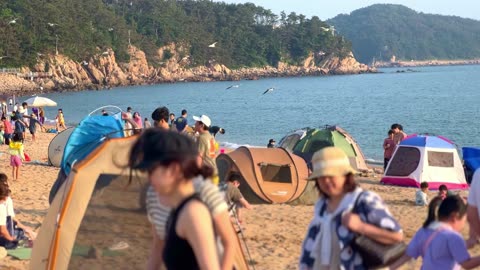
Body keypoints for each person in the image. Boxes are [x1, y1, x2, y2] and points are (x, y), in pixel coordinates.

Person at [129, 129, 235, 270]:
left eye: (151, 170)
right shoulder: (155, 196)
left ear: (173, 169)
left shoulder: (200, 199)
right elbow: (158, 245)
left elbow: (229, 241)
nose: (148, 178)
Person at [299, 147, 403, 269]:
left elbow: (396, 236)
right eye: (321, 177)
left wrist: (361, 227)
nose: (326, 181)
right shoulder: (322, 205)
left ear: (346, 176)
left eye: (331, 175)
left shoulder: (364, 200)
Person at [393, 195, 480, 269]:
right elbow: (466, 264)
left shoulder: (424, 230)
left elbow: (407, 255)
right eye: (464, 220)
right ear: (455, 216)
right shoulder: (454, 237)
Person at [0, 174, 36, 242]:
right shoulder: (5, 202)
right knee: (24, 234)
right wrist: (24, 228)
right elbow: (9, 222)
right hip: (4, 235)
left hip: (4, 229)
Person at [193, 114, 218, 184]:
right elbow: (214, 154)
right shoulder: (211, 137)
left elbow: (198, 157)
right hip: (213, 172)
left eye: (197, 122)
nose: (195, 124)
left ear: (202, 125)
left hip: (206, 174)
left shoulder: (201, 138)